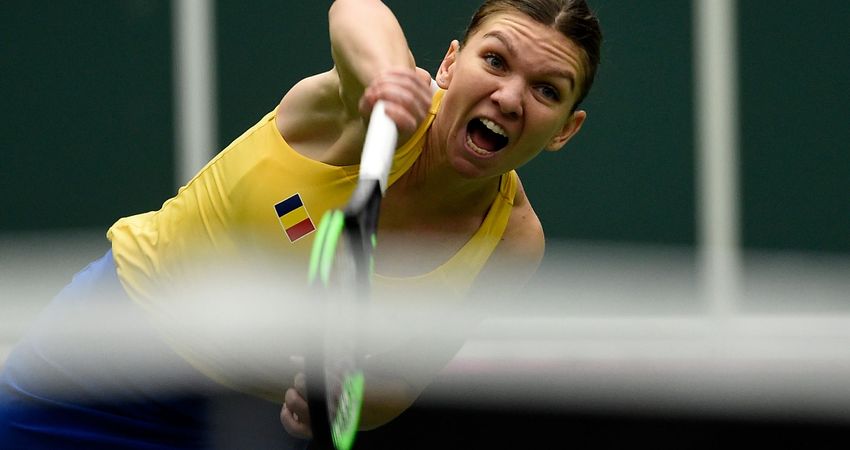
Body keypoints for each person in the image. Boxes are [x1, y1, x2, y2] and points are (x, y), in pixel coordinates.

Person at [0, 0, 602, 448]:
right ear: (450, 62)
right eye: (494, 61)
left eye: (545, 90)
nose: (509, 97)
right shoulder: (371, 110)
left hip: (238, 426)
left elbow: (396, 386)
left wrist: (343, 398)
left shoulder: (513, 242)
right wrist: (388, 78)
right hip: (102, 357)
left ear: (566, 130)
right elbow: (357, 8)